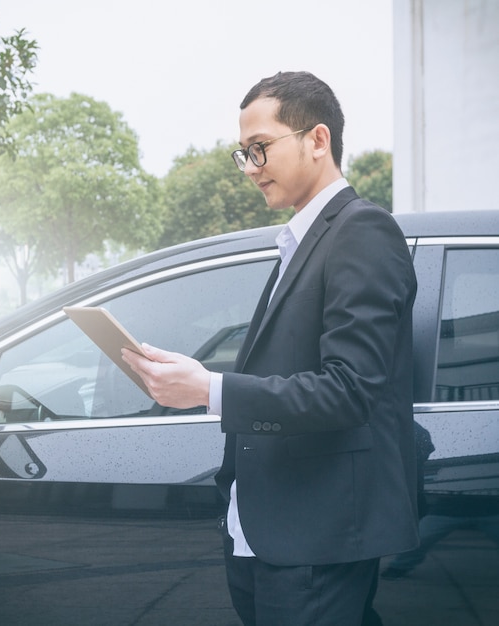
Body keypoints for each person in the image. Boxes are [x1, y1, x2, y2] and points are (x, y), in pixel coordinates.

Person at [122, 71, 419, 626]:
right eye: (243, 154)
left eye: (260, 149)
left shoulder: (362, 231)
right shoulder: (301, 240)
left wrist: (209, 389)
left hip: (316, 538)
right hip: (263, 532)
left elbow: (350, 391)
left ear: (318, 140)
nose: (250, 168)